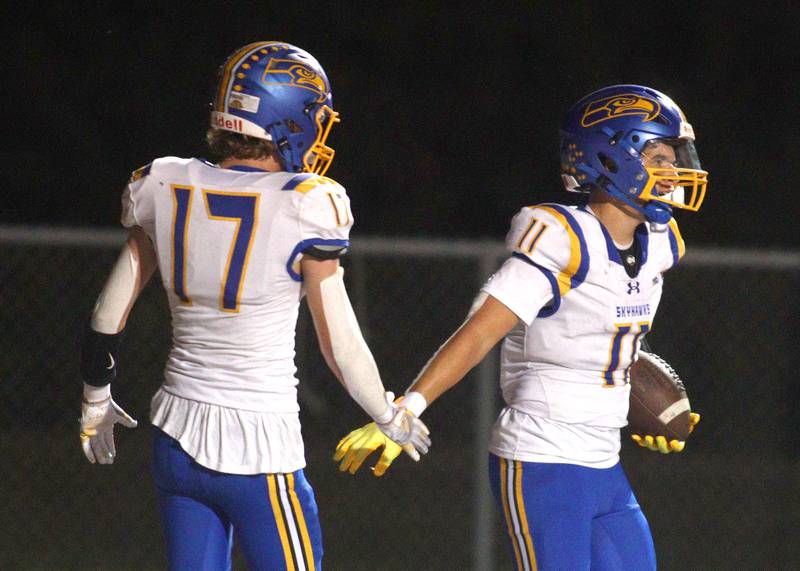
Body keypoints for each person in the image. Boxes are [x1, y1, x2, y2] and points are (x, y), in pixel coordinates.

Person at [78, 41, 430, 571]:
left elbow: (108, 312)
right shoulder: (307, 202)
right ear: (287, 118)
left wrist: (95, 398)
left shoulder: (165, 182)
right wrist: (387, 414)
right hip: (259, 450)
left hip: (175, 436)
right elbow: (340, 344)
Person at [334, 84, 705, 570]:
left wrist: (643, 406)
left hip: (604, 459)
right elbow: (480, 332)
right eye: (658, 154)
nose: (673, 169)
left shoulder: (658, 243)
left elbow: (613, 334)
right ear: (613, 159)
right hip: (542, 458)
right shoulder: (562, 239)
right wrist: (407, 407)